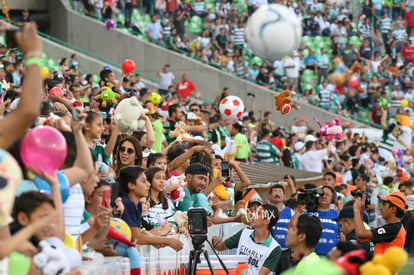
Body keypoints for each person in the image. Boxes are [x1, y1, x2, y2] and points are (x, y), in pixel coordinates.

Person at [119, 166, 183, 251]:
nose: (148, 184)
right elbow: (137, 238)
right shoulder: (126, 203)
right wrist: (167, 240)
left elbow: (142, 232)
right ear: (131, 185)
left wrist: (155, 240)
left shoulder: (137, 205)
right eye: (143, 181)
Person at [212, 204, 281, 275]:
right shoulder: (244, 233)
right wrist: (216, 242)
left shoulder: (275, 248)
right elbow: (221, 247)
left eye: (258, 213)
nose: (253, 215)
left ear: (266, 221)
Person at [353, 191, 407, 255]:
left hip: (384, 264)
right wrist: (360, 212)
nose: (381, 208)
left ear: (393, 209)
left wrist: (356, 210)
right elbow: (361, 239)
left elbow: (361, 234)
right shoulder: (393, 227)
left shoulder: (393, 228)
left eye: (384, 205)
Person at [268, 183, 295, 274]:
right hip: (269, 253)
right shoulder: (264, 211)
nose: (277, 194)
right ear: (269, 196)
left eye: (280, 192)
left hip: (286, 253)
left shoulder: (290, 212)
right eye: (274, 191)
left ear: (283, 196)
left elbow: (295, 230)